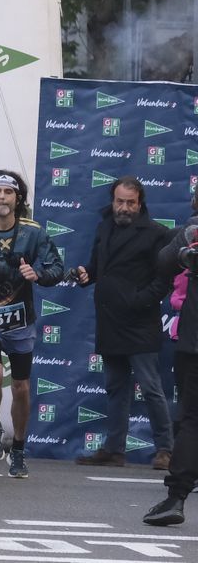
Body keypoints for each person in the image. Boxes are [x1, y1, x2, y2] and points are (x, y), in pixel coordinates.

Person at [75, 176, 175, 469]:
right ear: (113, 200)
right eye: (120, 201)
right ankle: (115, 450)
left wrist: (140, 300)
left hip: (140, 323)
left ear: (140, 203)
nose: (124, 208)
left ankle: (166, 450)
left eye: (130, 203)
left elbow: (165, 280)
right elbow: (96, 268)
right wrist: (86, 275)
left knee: (151, 387)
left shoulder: (158, 234)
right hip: (110, 321)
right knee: (115, 387)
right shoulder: (104, 227)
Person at [0, 169, 64, 479]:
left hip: (21, 320)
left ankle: (19, 449)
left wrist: (38, 275)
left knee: (22, 387)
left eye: (8, 192)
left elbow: (56, 269)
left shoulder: (33, 232)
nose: (1, 197)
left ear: (17, 198)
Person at [145, 198, 198, 526]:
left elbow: (163, 263)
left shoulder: (193, 232)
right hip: (193, 342)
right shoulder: (192, 233)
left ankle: (176, 498)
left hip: (194, 346)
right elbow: (166, 262)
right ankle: (174, 498)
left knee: (192, 419)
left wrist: (186, 243)